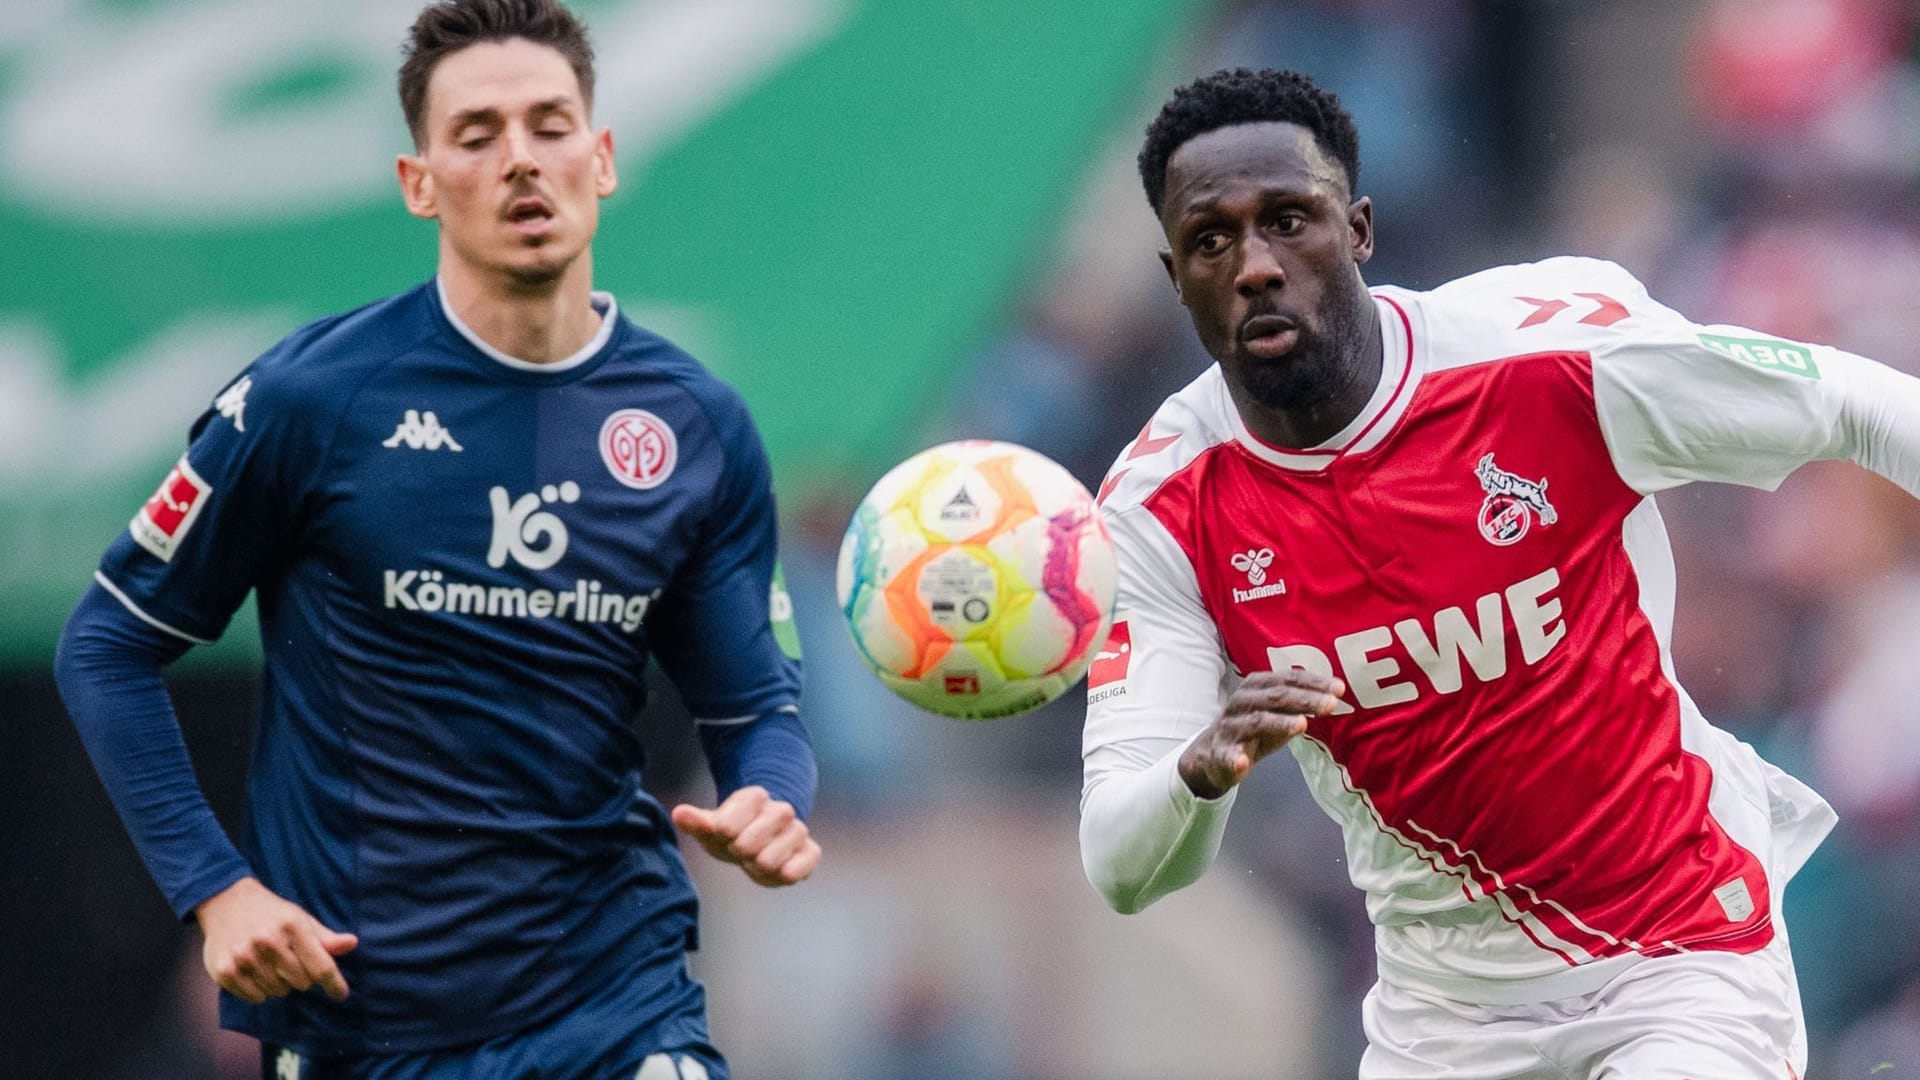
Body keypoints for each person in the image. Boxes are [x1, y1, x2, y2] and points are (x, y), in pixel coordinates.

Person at [1079, 66, 1920, 1079]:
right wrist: (1199, 773)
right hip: (1445, 1026)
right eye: (1213, 240)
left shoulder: (1545, 361)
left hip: (1678, 955)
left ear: (1358, 230)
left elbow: (1851, 404)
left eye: (1288, 221)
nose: (1255, 264)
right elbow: (1123, 864)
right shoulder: (1164, 507)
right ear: (1177, 276)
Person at [52, 1, 820, 1076]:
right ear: (421, 183)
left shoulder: (697, 428)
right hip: (366, 1019)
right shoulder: (312, 400)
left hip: (617, 1000)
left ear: (600, 160)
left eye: (550, 126)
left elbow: (755, 710)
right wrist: (216, 891)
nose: (520, 160)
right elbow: (105, 646)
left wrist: (774, 798)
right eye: (477, 134)